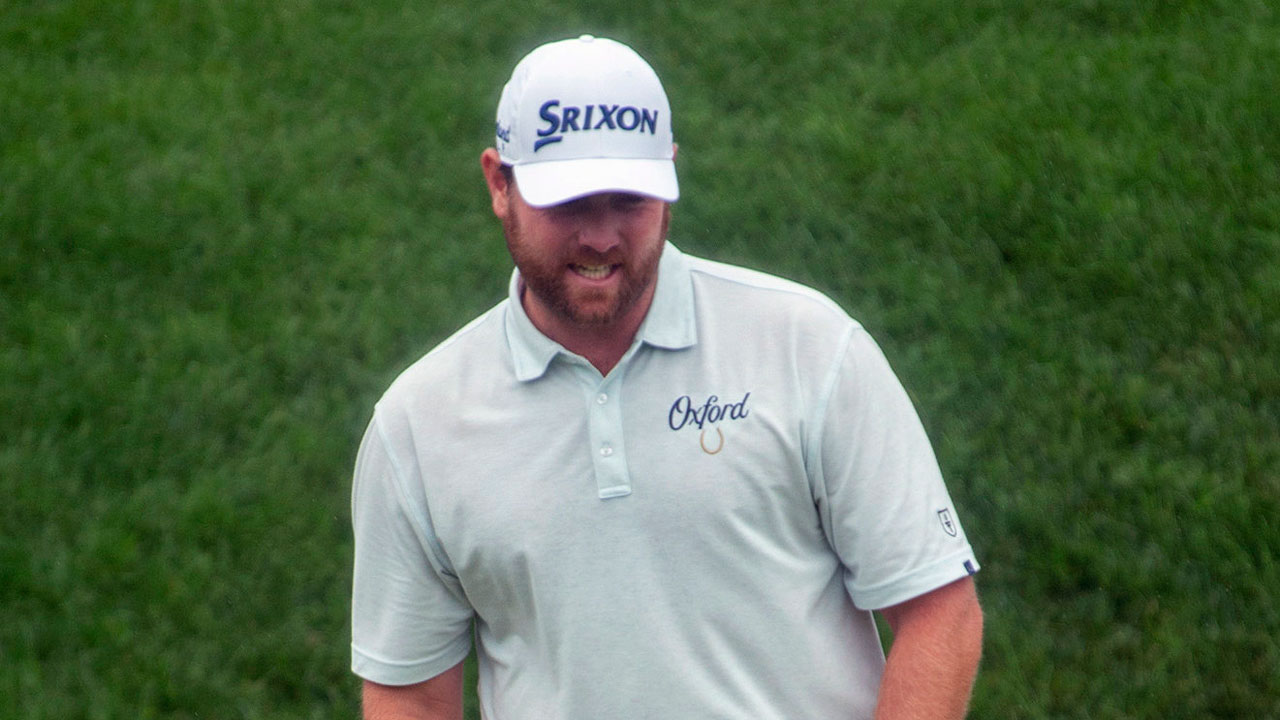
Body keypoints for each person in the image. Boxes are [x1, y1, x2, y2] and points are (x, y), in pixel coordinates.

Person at [350, 34, 983, 720]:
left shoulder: (809, 347)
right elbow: (410, 694)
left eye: (630, 199)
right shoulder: (416, 425)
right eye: (569, 202)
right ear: (500, 183)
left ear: (670, 175)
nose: (600, 236)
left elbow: (938, 611)